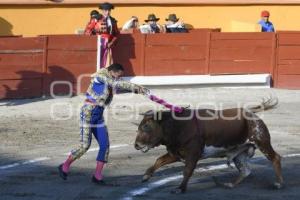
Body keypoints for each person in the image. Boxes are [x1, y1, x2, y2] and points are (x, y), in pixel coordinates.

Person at [58, 63, 148, 184]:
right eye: (118, 75)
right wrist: (136, 87)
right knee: (85, 146)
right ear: (112, 72)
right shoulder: (100, 77)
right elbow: (115, 84)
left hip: (98, 115)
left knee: (104, 145)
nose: (118, 78)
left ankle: (97, 175)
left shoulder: (110, 79)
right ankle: (64, 166)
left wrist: (139, 91)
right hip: (88, 113)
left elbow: (119, 85)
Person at [98, 2, 120, 68]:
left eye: (109, 10)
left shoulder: (113, 21)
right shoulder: (96, 19)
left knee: (107, 62)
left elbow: (117, 34)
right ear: (102, 11)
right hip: (98, 43)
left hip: (108, 44)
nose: (107, 12)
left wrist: (111, 42)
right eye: (105, 10)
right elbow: (88, 31)